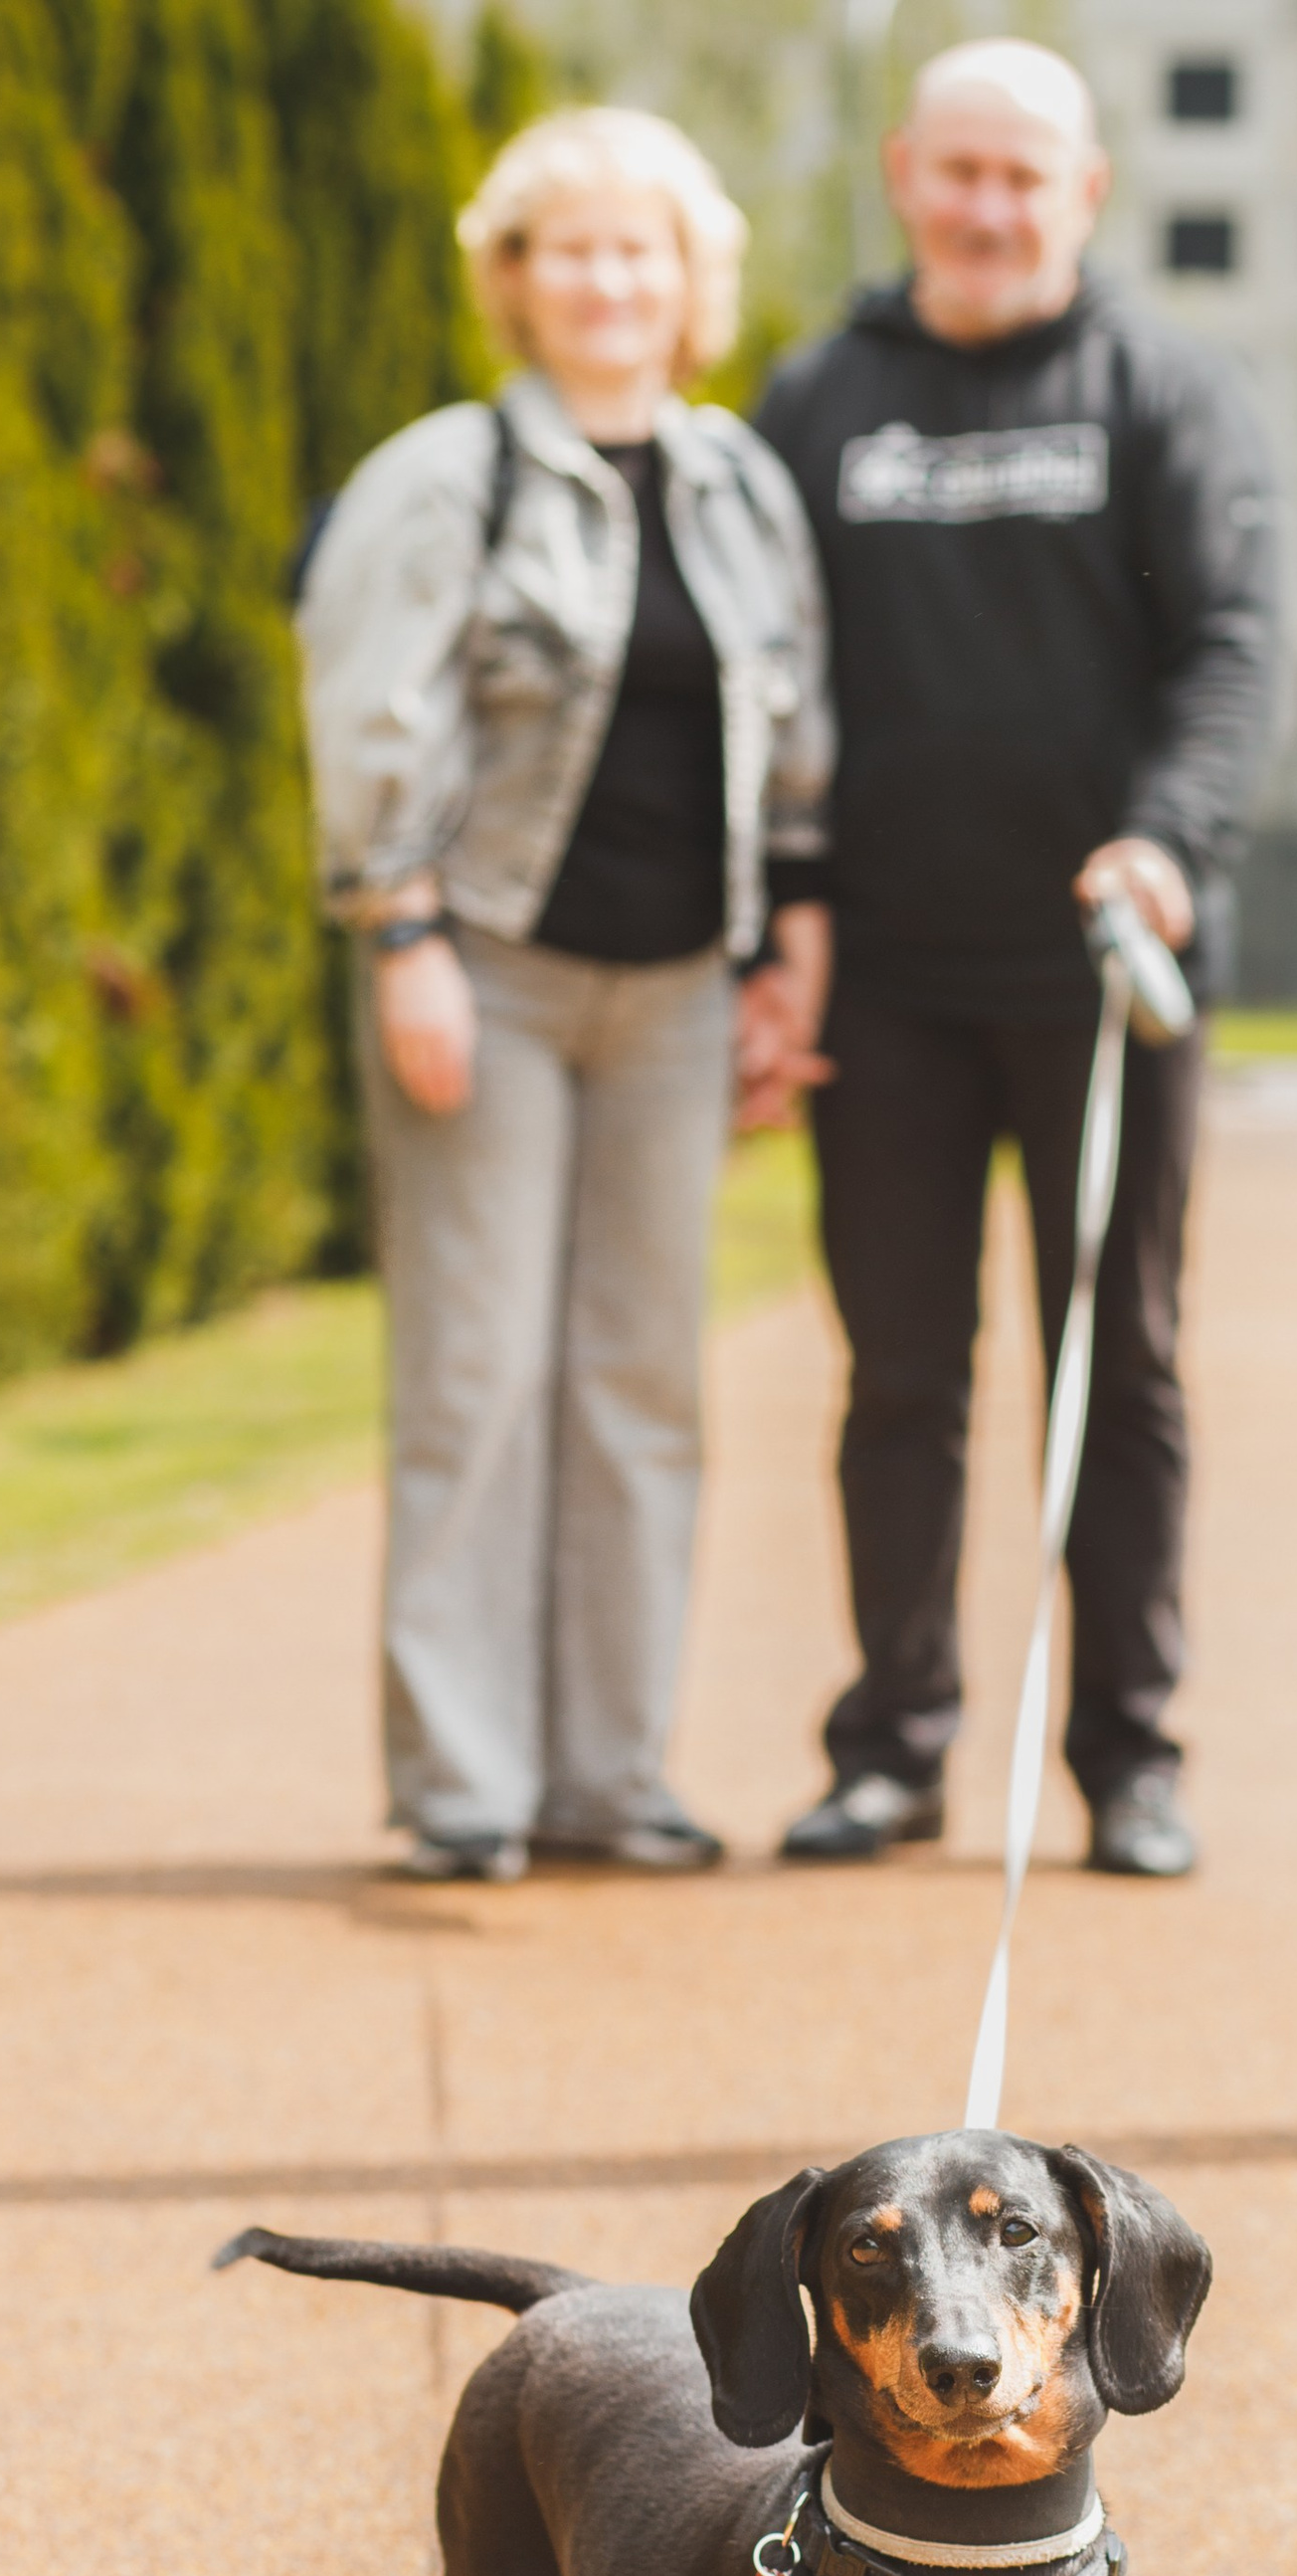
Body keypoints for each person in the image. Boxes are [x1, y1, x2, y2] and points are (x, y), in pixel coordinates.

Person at [754, 40, 1277, 1880]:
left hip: (1101, 974)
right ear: (906, 172)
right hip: (884, 980)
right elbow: (770, 685)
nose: (987, 207)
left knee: (1112, 1366)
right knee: (899, 1375)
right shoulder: (818, 398)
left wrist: (1170, 838)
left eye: (1024, 177)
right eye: (958, 170)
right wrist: (777, 935)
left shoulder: (1164, 395)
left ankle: (1129, 1760)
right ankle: (892, 1747)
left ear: (1086, 194)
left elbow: (1229, 646)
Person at [299, 108, 834, 1882]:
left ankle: (612, 1774)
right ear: (513, 279)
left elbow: (796, 743)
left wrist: (787, 946)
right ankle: (464, 1785)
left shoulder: (740, 485)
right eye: (571, 246)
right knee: (477, 1375)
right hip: (494, 974)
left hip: (677, 988)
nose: (610, 278)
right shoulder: (445, 478)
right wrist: (402, 934)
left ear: (693, 284)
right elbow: (375, 714)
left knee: (640, 1383)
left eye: (643, 248)